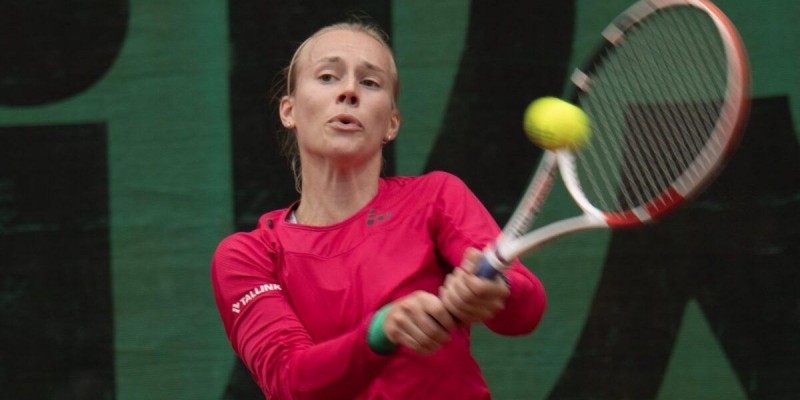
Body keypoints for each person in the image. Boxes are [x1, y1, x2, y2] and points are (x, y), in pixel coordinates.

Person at [211, 21, 547, 400]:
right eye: (327, 76)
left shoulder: (436, 197)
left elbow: (526, 310)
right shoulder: (247, 256)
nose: (349, 91)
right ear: (289, 111)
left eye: (370, 83)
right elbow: (289, 381)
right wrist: (381, 331)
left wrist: (497, 290)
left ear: (391, 123)